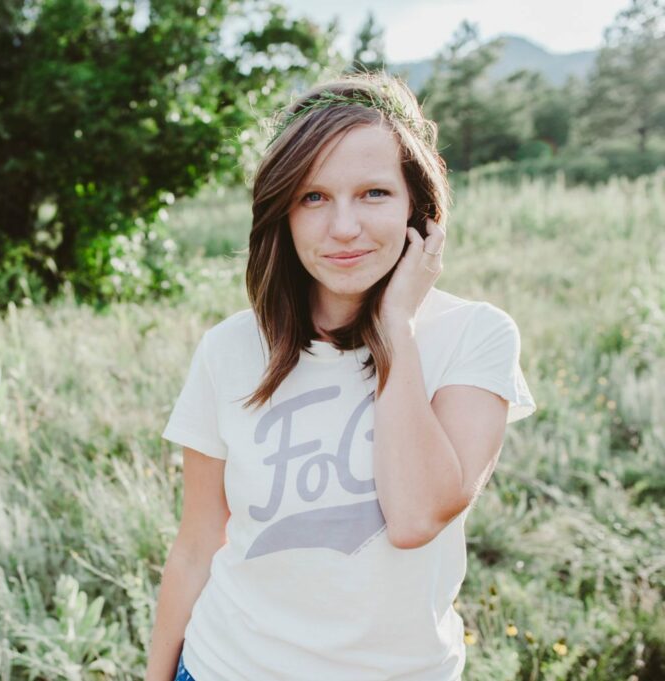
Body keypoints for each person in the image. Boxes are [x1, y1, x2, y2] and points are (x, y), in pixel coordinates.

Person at [144, 72, 537, 681]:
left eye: (374, 193)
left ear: (418, 209)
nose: (344, 227)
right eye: (314, 197)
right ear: (284, 215)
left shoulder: (474, 336)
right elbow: (198, 542)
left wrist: (396, 329)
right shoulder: (229, 349)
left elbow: (415, 518)